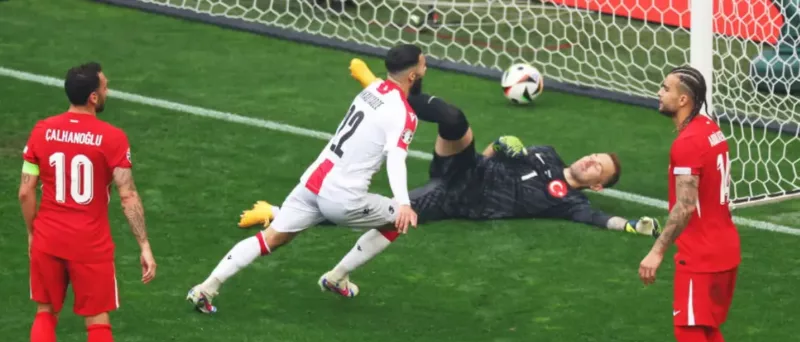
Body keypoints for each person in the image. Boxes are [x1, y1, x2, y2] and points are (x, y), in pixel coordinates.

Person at [238, 59, 662, 237]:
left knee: (380, 213)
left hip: (463, 198)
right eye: (594, 156)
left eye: (598, 169)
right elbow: (497, 152)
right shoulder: (548, 153)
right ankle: (385, 90)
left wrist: (631, 228)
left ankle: (277, 214)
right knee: (455, 119)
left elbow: (600, 220)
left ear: (599, 185)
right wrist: (498, 146)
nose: (590, 161)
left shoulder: (570, 203)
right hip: (469, 166)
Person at [186, 44, 426, 313]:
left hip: (314, 181)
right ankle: (336, 277)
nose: (425, 67)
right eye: (422, 64)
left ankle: (206, 288)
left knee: (271, 238)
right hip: (343, 196)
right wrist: (404, 203)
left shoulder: (371, 90)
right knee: (397, 220)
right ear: (413, 75)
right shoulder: (405, 115)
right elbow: (395, 158)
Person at [19, 62, 156, 342]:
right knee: (97, 320)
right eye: (105, 87)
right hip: (89, 245)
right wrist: (143, 244)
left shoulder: (42, 130)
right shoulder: (112, 138)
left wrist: (33, 232)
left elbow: (25, 190)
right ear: (93, 97)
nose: (108, 91)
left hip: (48, 238)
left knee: (46, 311)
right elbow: (128, 195)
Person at [638, 65, 740, 342]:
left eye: (665, 88)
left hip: (701, 253)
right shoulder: (710, 129)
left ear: (684, 99)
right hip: (725, 243)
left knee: (688, 332)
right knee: (708, 328)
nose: (659, 92)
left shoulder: (687, 143)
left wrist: (656, 251)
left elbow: (684, 206)